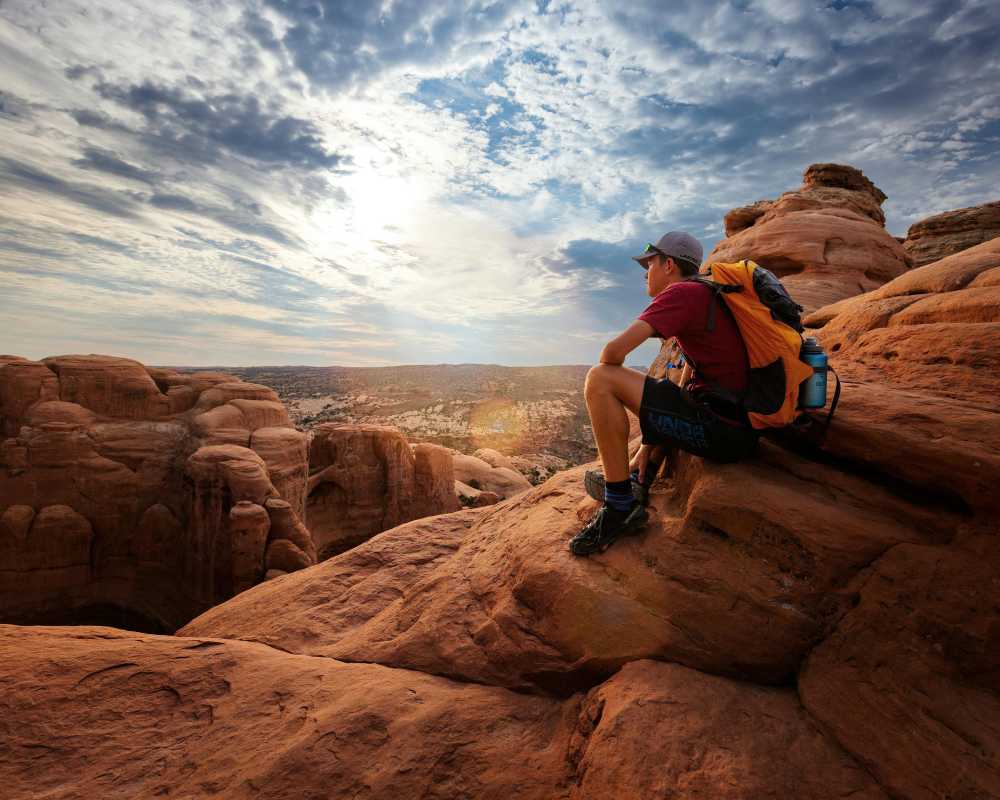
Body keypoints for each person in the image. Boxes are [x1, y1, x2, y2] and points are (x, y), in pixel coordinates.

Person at [569, 231, 759, 556]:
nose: (646, 272)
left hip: (722, 432)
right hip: (735, 426)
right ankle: (635, 480)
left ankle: (619, 508)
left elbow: (611, 354)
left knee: (599, 379)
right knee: (662, 396)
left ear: (669, 264)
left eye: (650, 263)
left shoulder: (682, 294)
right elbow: (687, 383)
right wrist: (649, 441)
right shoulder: (708, 294)